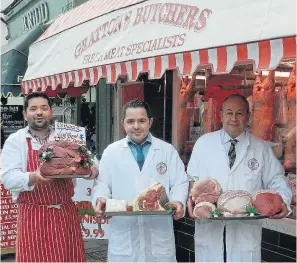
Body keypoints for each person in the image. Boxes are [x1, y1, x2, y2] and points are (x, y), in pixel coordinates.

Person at [187, 94, 292, 262]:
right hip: (209, 228)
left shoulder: (261, 148)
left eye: (239, 113)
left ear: (248, 116)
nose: (233, 118)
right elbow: (191, 179)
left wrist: (284, 203)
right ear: (221, 115)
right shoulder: (203, 143)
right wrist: (190, 201)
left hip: (245, 234)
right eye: (229, 113)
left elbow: (277, 179)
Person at [1, 92, 99, 262]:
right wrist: (33, 177)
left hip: (64, 214)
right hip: (33, 215)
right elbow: (8, 178)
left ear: (51, 112)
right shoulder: (15, 141)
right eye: (33, 109)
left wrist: (91, 170)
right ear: (25, 114)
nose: (39, 112)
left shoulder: (66, 135)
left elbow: (91, 161)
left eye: (44, 108)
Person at [92, 99, 188, 262]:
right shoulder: (112, 152)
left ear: (150, 122)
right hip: (124, 234)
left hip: (159, 234)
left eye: (141, 121)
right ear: (123, 123)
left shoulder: (166, 150)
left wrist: (178, 201)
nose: (136, 126)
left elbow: (180, 182)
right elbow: (102, 184)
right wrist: (101, 200)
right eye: (130, 121)